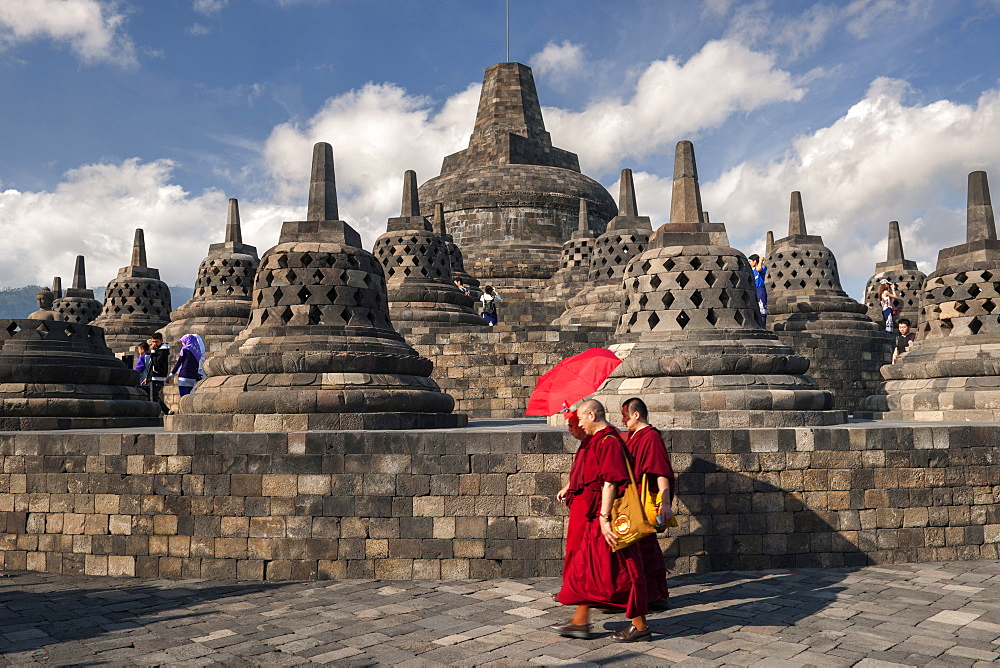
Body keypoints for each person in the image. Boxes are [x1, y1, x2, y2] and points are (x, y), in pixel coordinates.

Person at [553, 399, 650, 642]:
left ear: (593, 416)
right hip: (594, 516)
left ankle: (639, 624)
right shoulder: (596, 440)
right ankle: (580, 620)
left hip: (608, 516)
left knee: (622, 570)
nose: (579, 424)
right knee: (586, 568)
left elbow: (611, 482)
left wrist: (605, 519)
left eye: (581, 419)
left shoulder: (610, 442)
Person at [621, 398, 675, 611]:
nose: (622, 419)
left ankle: (656, 594)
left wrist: (666, 503)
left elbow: (660, 471)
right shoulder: (633, 437)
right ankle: (648, 593)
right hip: (631, 500)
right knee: (643, 549)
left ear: (636, 414)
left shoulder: (650, 436)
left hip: (644, 502)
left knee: (645, 549)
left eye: (625, 415)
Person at [148, 332, 172, 414]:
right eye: (153, 342)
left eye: (156, 342)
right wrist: (147, 377)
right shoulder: (157, 350)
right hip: (153, 376)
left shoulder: (163, 351)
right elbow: (151, 365)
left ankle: (166, 410)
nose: (154, 344)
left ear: (161, 341)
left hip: (158, 376)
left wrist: (153, 352)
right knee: (152, 396)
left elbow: (156, 363)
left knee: (154, 396)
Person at [748, 254, 767, 323]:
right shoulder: (752, 271)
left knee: (762, 309)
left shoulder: (763, 268)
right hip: (753, 290)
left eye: (750, 261)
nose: (749, 263)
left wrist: (761, 261)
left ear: (755, 261)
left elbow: (759, 269)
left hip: (760, 290)